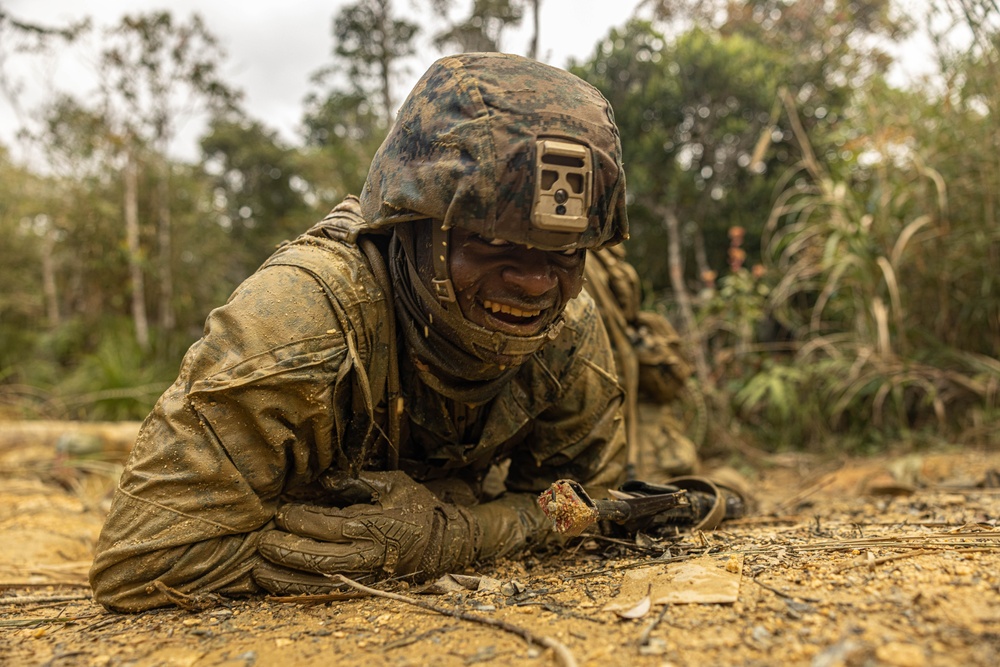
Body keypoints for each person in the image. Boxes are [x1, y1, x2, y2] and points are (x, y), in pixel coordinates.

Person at [90, 52, 631, 612]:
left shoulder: (567, 330)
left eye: (566, 252)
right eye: (491, 242)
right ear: (412, 226)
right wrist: (414, 538)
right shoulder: (301, 324)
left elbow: (585, 502)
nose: (537, 282)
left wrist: (455, 535)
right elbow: (140, 564)